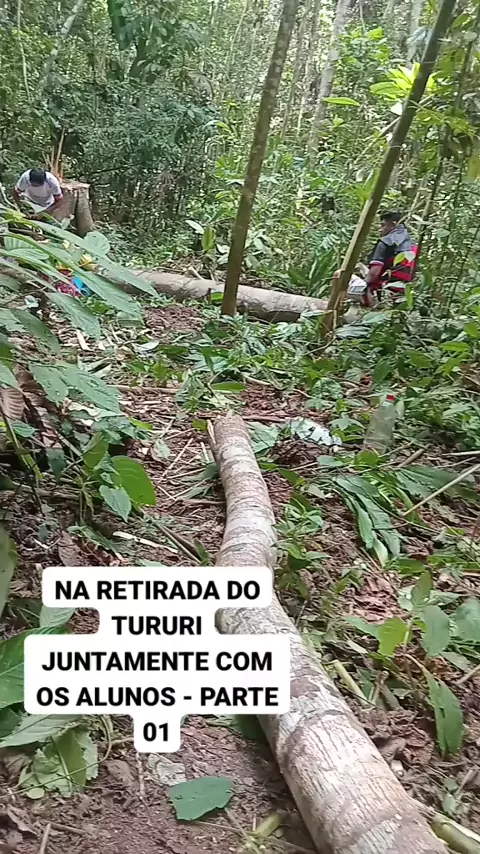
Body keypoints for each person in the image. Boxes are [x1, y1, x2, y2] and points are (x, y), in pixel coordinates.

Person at [362, 211, 417, 306]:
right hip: (406, 294)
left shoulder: (385, 242)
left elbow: (374, 273)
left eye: (383, 225)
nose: (380, 230)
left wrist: (363, 285)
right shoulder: (413, 245)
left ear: (393, 224)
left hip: (385, 290)